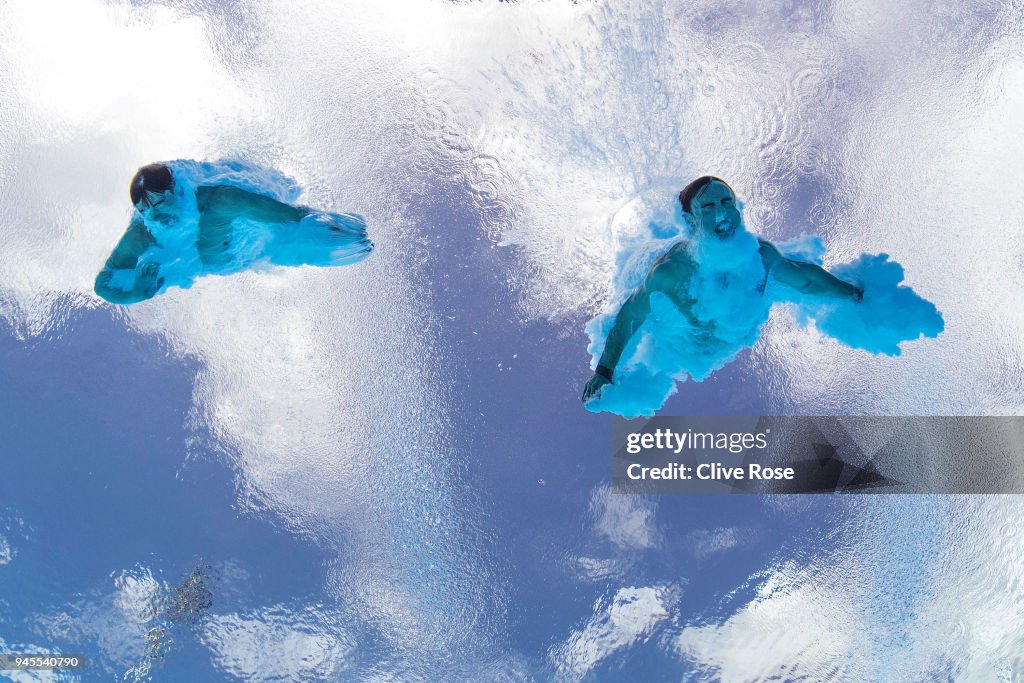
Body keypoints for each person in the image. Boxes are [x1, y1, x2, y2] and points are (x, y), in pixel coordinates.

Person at [582, 176, 863, 406]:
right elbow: (630, 317)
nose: (722, 213)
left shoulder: (760, 255)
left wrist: (852, 292)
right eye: (708, 206)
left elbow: (805, 279)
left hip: (735, 332)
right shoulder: (670, 272)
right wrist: (605, 371)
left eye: (727, 201)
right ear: (691, 220)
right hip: (686, 344)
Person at [95, 161, 373, 304]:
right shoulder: (143, 233)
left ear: (176, 190)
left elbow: (287, 213)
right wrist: (135, 294)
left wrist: (312, 221)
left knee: (230, 207)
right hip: (210, 263)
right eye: (147, 211)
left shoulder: (215, 199)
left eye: (161, 202)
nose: (157, 215)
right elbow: (102, 284)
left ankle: (315, 236)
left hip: (243, 248)